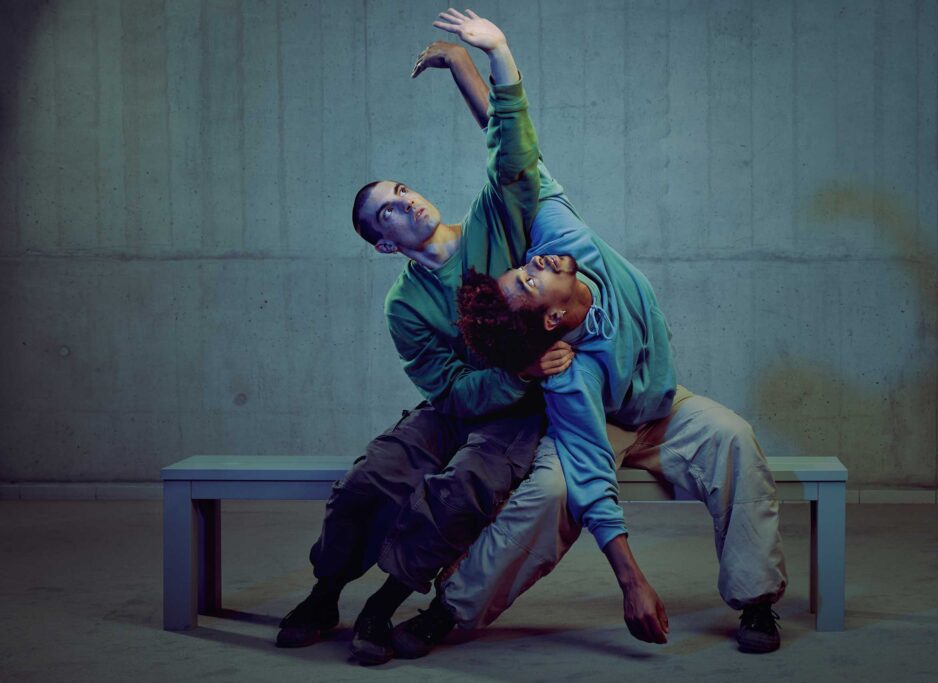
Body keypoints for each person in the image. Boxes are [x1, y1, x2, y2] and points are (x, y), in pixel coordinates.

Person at [391, 42, 788, 654]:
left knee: (733, 436)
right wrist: (633, 581)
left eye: (525, 268)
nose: (535, 262)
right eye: (528, 278)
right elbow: (592, 482)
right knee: (553, 495)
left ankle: (757, 603)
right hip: (598, 423)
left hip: (660, 409)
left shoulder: (566, 241)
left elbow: (517, 158)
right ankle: (451, 609)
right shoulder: (567, 373)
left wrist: (471, 64)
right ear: (551, 316)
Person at [275, 9, 571, 665]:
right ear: (385, 242)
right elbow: (451, 389)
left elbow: (515, 150)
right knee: (371, 477)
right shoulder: (404, 305)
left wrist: (485, 57)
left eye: (402, 189)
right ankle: (326, 591)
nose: (406, 201)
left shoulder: (493, 230)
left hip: (519, 417)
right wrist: (512, 372)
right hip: (457, 405)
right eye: (388, 209)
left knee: (461, 485)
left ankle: (383, 603)